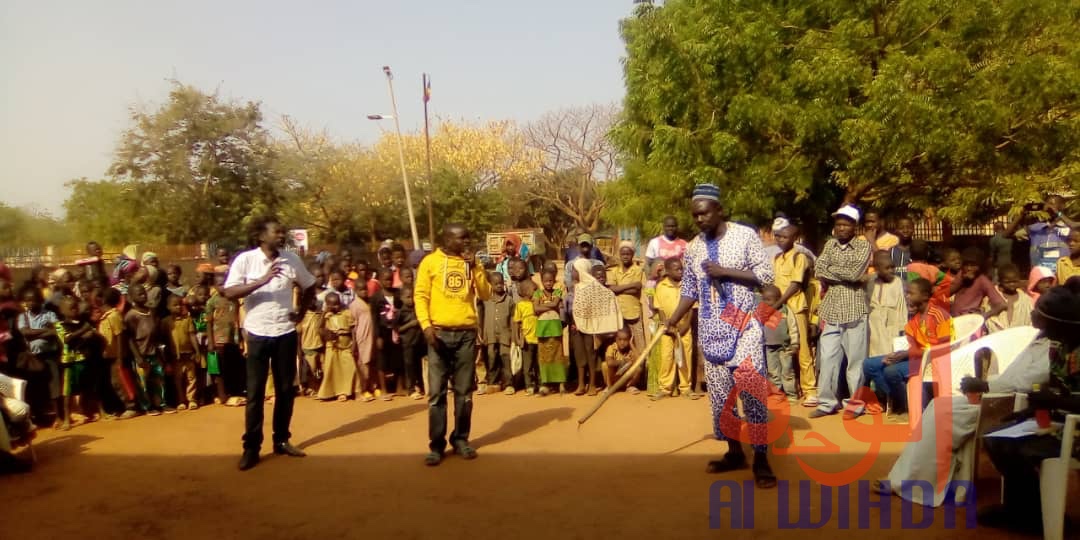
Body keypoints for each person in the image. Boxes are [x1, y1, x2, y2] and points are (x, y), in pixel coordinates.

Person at [876, 286, 1080, 509]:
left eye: (1038, 310)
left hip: (1009, 400)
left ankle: (916, 484)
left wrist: (985, 385)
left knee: (945, 415)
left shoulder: (1061, 349)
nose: (1032, 312)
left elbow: (1030, 382)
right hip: (1003, 395)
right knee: (938, 405)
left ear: (1053, 320)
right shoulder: (1047, 341)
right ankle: (910, 479)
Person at [663, 183, 777, 488]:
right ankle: (735, 452)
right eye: (695, 216)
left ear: (719, 210)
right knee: (720, 398)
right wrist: (673, 319)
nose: (699, 220)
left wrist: (726, 271)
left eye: (704, 214)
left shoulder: (745, 236)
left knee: (752, 393)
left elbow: (765, 277)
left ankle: (762, 458)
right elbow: (688, 288)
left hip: (744, 325)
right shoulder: (694, 247)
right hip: (711, 329)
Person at [978, 286, 1080, 534]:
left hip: (1076, 431)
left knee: (1018, 448)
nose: (1037, 320)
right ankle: (1026, 509)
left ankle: (1037, 514)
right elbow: (1058, 390)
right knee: (995, 438)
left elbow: (1065, 398)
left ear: (1060, 323)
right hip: (1059, 422)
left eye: (1042, 316)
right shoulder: (1058, 346)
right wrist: (1027, 411)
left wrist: (1053, 401)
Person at [223, 216, 316, 471]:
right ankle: (251, 448)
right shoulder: (246, 260)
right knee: (255, 394)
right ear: (261, 236)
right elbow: (229, 292)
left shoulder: (292, 259)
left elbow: (310, 285)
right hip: (257, 333)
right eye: (277, 232)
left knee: (286, 390)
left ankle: (282, 440)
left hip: (285, 332)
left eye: (283, 232)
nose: (281, 235)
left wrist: (301, 313)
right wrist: (261, 281)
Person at [415, 223, 492, 466]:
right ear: (447, 240)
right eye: (462, 238)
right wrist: (426, 326)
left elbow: (486, 294)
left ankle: (460, 439)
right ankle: (436, 445)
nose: (467, 242)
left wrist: (475, 267)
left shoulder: (472, 263)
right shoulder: (430, 262)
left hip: (466, 335)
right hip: (438, 334)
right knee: (437, 394)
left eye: (468, 237)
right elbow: (421, 296)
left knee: (464, 393)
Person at [811, 204, 872, 419]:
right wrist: (839, 274)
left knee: (855, 361)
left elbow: (856, 274)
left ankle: (854, 404)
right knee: (827, 358)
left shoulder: (864, 247)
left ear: (854, 227)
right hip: (831, 309)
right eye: (838, 224)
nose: (842, 228)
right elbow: (818, 269)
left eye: (846, 224)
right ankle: (826, 403)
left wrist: (831, 272)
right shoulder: (830, 245)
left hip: (854, 309)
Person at [864, 278, 949, 421]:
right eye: (907, 293)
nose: (907, 296)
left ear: (925, 296)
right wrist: (896, 355)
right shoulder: (914, 316)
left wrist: (906, 354)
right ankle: (893, 398)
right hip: (915, 356)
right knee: (869, 364)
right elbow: (914, 344)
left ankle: (905, 406)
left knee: (891, 371)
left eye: (911, 293)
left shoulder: (939, 314)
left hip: (932, 359)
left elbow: (943, 346)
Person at [770, 224, 817, 407]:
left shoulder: (800, 257)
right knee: (780, 348)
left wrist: (778, 302)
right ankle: (786, 389)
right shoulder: (776, 258)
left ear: (795, 239)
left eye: (784, 237)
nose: (780, 240)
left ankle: (810, 390)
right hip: (779, 309)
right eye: (778, 236)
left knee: (803, 349)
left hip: (795, 307)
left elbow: (795, 284)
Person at [570, 258, 623, 396]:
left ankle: (592, 384)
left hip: (591, 328)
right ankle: (581, 384)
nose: (572, 273)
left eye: (574, 270)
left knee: (591, 355)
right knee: (579, 356)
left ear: (581, 271)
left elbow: (607, 297)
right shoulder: (577, 287)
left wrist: (596, 320)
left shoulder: (594, 287)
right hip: (577, 327)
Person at [16, 286, 60, 425]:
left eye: (32, 300)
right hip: (34, 358)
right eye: (26, 300)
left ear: (40, 301)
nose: (29, 303)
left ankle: (59, 416)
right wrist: (45, 330)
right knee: (37, 388)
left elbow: (56, 331)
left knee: (54, 386)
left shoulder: (49, 314)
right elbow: (25, 333)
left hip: (50, 355)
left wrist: (35, 332)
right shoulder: (23, 316)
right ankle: (40, 417)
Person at [124, 284, 169, 416]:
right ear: (131, 297)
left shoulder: (151, 312)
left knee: (159, 379)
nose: (143, 295)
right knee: (143, 383)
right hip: (142, 355)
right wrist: (137, 357)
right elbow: (130, 339)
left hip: (154, 352)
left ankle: (161, 403)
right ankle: (147, 406)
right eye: (139, 294)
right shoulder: (131, 316)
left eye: (144, 292)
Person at [653, 257, 693, 400]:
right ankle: (665, 388)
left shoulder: (687, 286)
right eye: (677, 269)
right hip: (667, 329)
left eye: (681, 268)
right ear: (668, 271)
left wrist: (686, 325)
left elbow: (691, 308)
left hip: (684, 328)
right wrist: (667, 325)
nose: (680, 271)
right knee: (667, 357)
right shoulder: (661, 286)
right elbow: (660, 309)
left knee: (685, 357)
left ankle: (685, 387)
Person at [55, 296, 96, 430]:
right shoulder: (60, 325)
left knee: (87, 387)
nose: (75, 310)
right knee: (67, 391)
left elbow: (90, 335)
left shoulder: (82, 322)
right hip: (69, 362)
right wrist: (83, 332)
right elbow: (67, 339)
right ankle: (67, 419)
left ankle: (87, 412)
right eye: (71, 308)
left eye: (76, 307)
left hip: (83, 359)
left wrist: (81, 334)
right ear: (62, 310)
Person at [98, 288, 137, 419]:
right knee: (114, 382)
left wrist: (120, 357)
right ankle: (123, 405)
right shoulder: (106, 316)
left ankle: (130, 406)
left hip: (117, 356)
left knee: (121, 381)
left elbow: (120, 336)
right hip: (110, 356)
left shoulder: (114, 316)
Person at [206, 273, 244, 407]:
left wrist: (239, 339)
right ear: (215, 286)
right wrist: (211, 342)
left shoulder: (234, 299)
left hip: (232, 339)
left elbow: (237, 320)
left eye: (225, 283)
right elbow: (208, 323)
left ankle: (234, 392)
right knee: (219, 369)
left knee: (232, 367)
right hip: (218, 340)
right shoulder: (212, 302)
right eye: (220, 284)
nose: (223, 287)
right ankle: (221, 395)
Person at [760, 285, 799, 402]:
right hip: (769, 348)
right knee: (773, 373)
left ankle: (791, 395)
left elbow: (793, 328)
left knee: (787, 372)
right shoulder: (762, 312)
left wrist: (795, 343)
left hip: (785, 347)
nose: (765, 302)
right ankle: (778, 394)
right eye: (764, 299)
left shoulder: (786, 311)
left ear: (778, 299)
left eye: (768, 299)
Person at [866, 251, 908, 359]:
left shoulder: (898, 282)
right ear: (877, 269)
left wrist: (903, 328)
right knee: (873, 356)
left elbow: (902, 308)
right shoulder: (869, 282)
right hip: (873, 327)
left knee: (890, 356)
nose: (891, 271)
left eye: (892, 267)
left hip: (892, 328)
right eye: (887, 268)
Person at [608, 241, 646, 358]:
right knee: (621, 344)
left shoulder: (637, 270)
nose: (625, 256)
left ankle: (641, 370)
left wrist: (618, 289)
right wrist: (631, 285)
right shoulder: (614, 271)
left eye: (628, 254)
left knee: (639, 344)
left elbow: (636, 290)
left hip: (633, 312)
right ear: (619, 254)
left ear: (632, 255)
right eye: (623, 254)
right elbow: (611, 289)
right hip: (618, 313)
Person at [316, 292, 356, 402]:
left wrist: (354, 345)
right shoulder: (326, 315)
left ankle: (347, 391)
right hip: (332, 346)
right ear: (327, 304)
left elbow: (353, 330)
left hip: (346, 345)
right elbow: (318, 328)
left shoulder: (346, 313)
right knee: (331, 369)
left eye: (337, 304)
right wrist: (325, 313)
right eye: (332, 304)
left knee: (349, 368)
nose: (336, 306)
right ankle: (331, 393)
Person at [533, 269, 567, 396]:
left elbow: (554, 303)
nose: (548, 283)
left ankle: (561, 383)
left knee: (558, 356)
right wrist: (551, 306)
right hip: (542, 328)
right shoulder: (537, 293)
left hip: (555, 327)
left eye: (551, 281)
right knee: (544, 358)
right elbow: (535, 308)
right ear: (542, 281)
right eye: (546, 281)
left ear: (554, 281)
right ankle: (545, 384)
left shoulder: (558, 291)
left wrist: (544, 307)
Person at [163, 294, 200, 411]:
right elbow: (164, 341)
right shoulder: (165, 322)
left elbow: (192, 335)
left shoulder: (187, 320)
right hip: (175, 357)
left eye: (180, 304)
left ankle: (192, 399)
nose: (178, 307)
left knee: (191, 378)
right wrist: (166, 359)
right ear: (168, 307)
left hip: (188, 354)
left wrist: (197, 351)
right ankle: (181, 400)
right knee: (178, 379)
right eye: (175, 305)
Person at [479, 273, 513, 395]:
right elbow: (481, 318)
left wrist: (512, 334)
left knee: (505, 358)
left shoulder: (509, 300)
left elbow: (512, 319)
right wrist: (482, 333)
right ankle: (493, 382)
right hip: (490, 334)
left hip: (505, 334)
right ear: (491, 285)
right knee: (491, 357)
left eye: (501, 283)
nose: (499, 286)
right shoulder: (486, 300)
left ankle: (509, 383)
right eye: (496, 284)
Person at [950, 248, 1006, 320]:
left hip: (969, 319)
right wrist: (961, 281)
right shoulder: (961, 274)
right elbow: (948, 293)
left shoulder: (983, 280)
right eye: (966, 265)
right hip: (955, 318)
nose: (968, 268)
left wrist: (984, 316)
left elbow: (1002, 305)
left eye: (973, 265)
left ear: (980, 266)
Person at [370, 268, 398, 400]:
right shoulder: (376, 298)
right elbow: (374, 318)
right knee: (382, 361)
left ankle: (399, 387)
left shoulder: (397, 294)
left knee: (397, 358)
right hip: (383, 331)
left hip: (396, 331)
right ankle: (383, 389)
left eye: (390, 279)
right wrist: (378, 336)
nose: (388, 282)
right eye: (386, 279)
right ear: (380, 281)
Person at [395, 284, 424, 400]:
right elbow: (397, 329)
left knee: (418, 365)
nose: (411, 299)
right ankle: (410, 389)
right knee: (409, 366)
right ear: (401, 298)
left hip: (418, 341)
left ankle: (420, 386)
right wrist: (410, 324)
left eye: (412, 297)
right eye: (407, 297)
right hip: (407, 343)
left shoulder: (417, 308)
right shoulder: (400, 312)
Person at [985, 264, 1033, 333]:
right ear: (1000, 281)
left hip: (1020, 336)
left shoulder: (1026, 300)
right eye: (1008, 282)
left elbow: (1029, 319)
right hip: (997, 336)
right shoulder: (992, 297)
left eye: (1014, 281)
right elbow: (990, 319)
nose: (1012, 284)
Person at [513, 280, 540, 396]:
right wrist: (517, 339)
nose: (536, 292)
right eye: (534, 290)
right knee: (527, 365)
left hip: (538, 338)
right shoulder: (520, 305)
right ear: (525, 292)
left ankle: (541, 384)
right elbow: (516, 323)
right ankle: (529, 385)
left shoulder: (537, 304)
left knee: (538, 363)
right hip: (527, 339)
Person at [297, 291, 324, 397]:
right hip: (308, 346)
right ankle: (311, 388)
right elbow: (299, 333)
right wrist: (299, 349)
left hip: (320, 345)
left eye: (313, 299)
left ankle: (320, 387)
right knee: (311, 369)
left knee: (322, 367)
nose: (312, 302)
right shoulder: (302, 316)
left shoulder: (319, 314)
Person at [603, 327, 641, 394]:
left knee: (638, 368)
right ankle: (609, 387)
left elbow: (640, 361)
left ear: (629, 340)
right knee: (605, 365)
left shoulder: (630, 350)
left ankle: (630, 386)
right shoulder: (611, 348)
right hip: (614, 379)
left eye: (625, 340)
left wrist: (631, 344)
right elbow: (609, 363)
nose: (622, 342)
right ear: (616, 339)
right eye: (619, 339)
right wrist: (624, 362)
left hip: (625, 380)